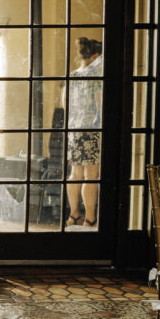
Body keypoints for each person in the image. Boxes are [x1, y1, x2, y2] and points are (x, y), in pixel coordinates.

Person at [64, 37, 103, 228]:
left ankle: (73, 215)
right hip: (91, 128)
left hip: (74, 128)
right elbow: (99, 104)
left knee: (75, 173)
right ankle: (90, 218)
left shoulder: (73, 75)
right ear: (95, 55)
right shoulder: (96, 74)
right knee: (91, 174)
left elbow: (65, 103)